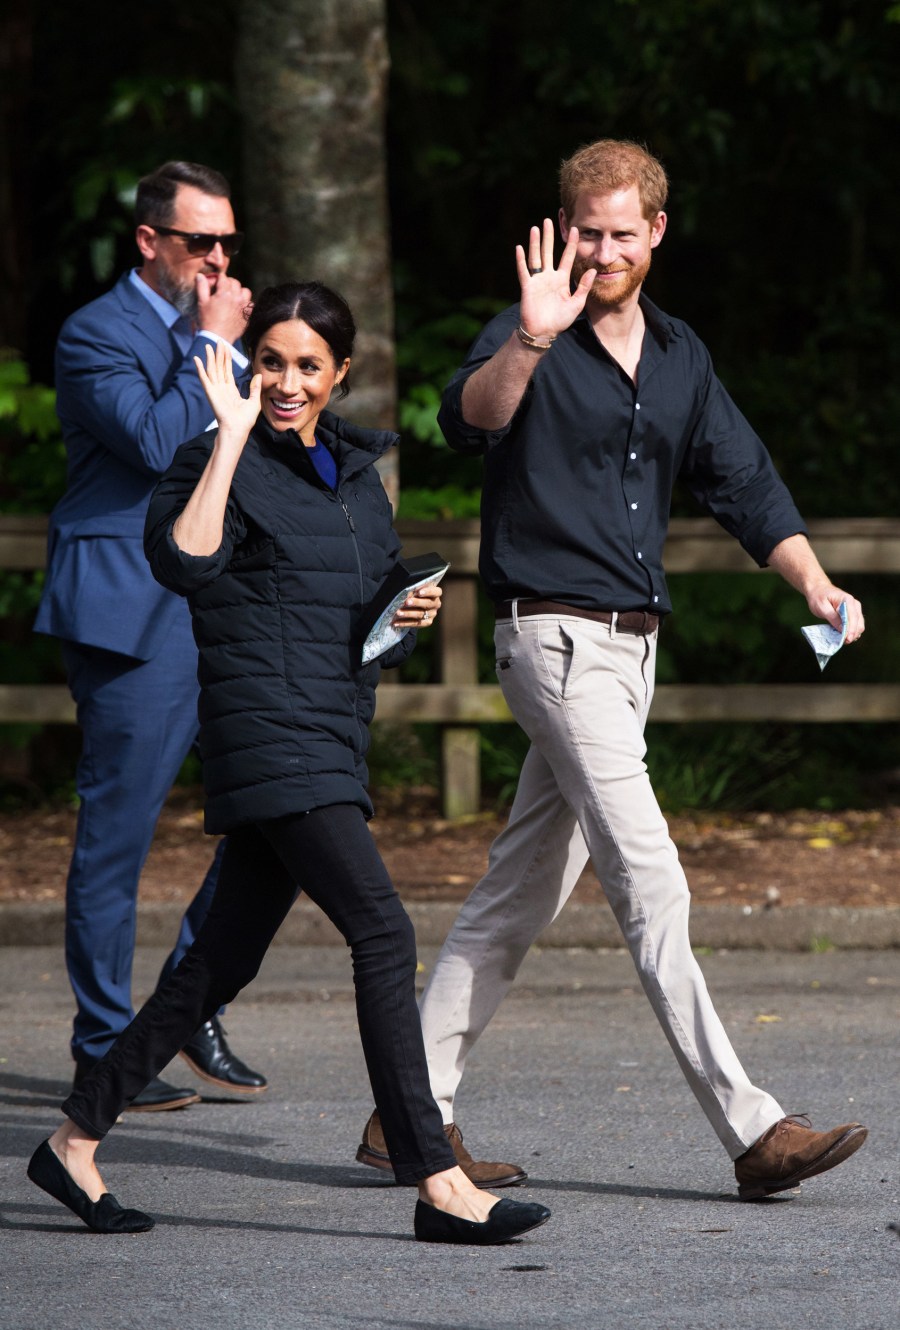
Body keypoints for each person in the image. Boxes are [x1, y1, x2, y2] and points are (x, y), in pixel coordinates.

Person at [356, 138, 869, 1202]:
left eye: (621, 232)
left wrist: (813, 584)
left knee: (520, 892)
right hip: (550, 639)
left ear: (657, 233)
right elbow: (469, 418)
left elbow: (746, 481)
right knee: (653, 880)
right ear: (566, 227)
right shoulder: (528, 329)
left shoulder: (681, 355)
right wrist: (531, 344)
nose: (601, 249)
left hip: (631, 652)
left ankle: (407, 1110)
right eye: (586, 230)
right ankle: (754, 1128)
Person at [27, 281, 551, 1246]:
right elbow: (186, 561)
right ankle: (436, 1177)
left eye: (308, 365)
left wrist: (402, 616)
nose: (286, 382)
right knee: (384, 936)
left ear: (339, 374)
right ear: (246, 364)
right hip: (268, 737)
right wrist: (226, 434)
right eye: (271, 361)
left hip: (331, 731)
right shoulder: (210, 457)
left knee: (213, 969)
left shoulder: (354, 478)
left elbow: (352, 627)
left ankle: (72, 1140)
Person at [33, 160, 266, 1109]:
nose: (217, 258)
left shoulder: (231, 334)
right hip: (130, 608)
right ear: (149, 243)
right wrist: (210, 345)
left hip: (226, 601)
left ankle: (190, 1002)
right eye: (198, 241)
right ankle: (104, 1046)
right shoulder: (97, 333)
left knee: (271, 813)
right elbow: (155, 441)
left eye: (227, 243)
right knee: (117, 840)